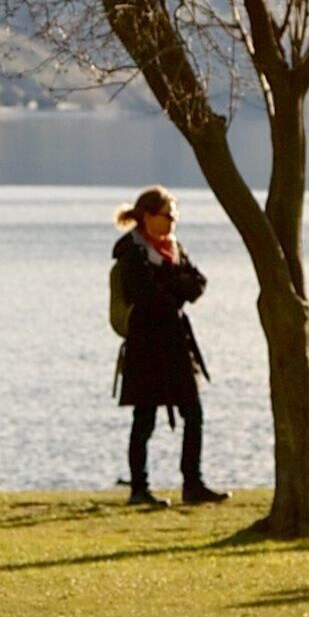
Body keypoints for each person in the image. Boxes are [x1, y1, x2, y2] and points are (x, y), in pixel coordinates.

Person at [109, 187, 224, 508]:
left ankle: (193, 483)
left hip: (177, 342)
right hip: (145, 344)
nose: (174, 221)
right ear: (148, 216)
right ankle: (139, 489)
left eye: (175, 216)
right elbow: (145, 297)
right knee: (144, 418)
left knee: (194, 413)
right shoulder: (131, 252)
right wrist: (176, 288)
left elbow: (198, 282)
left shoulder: (175, 249)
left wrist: (171, 287)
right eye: (168, 215)